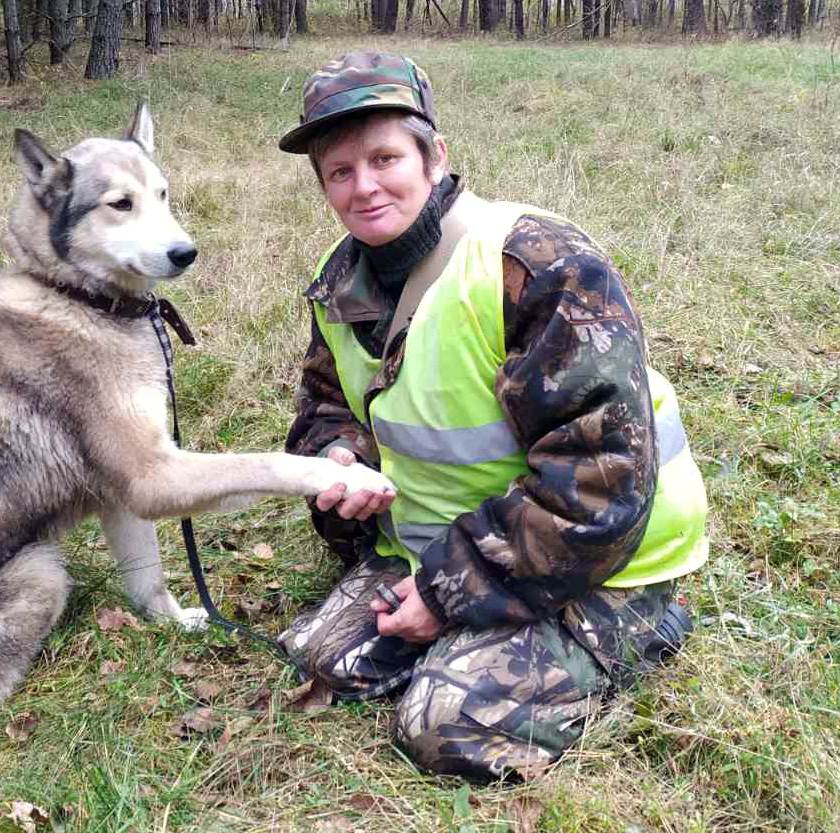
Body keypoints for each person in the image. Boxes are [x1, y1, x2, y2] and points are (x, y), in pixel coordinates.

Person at [275, 50, 709, 781]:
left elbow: (600, 485)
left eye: (385, 158)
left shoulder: (536, 263)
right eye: (340, 171)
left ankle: (650, 624)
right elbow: (325, 405)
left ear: (435, 156)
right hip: (467, 540)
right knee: (323, 659)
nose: (365, 186)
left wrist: (447, 594)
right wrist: (339, 461)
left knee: (446, 731)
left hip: (607, 554)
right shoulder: (340, 276)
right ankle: (469, 625)